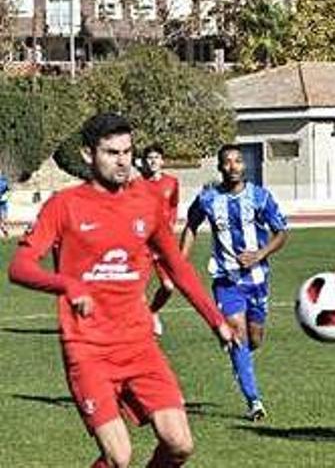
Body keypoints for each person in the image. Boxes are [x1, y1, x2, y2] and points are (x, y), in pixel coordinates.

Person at [7, 112, 234, 468]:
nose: (123, 160)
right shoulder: (63, 206)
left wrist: (215, 320)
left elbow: (177, 266)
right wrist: (68, 284)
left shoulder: (147, 202)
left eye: (128, 151)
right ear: (87, 154)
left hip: (140, 346)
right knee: (119, 456)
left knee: (180, 445)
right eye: (112, 152)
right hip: (87, 349)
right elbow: (19, 267)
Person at [181, 143, 288, 421]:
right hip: (226, 280)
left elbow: (281, 233)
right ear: (219, 167)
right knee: (238, 335)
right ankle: (254, 401)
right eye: (227, 162)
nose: (233, 166)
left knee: (254, 339)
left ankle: (240, 361)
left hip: (257, 279)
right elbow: (191, 225)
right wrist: (180, 262)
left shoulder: (260, 197)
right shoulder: (207, 199)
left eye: (238, 161)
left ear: (245, 166)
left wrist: (259, 254)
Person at [139, 144, 181, 337]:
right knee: (136, 288)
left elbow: (173, 206)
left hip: (163, 244)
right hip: (142, 245)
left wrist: (171, 224)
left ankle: (153, 311)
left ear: (162, 161)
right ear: (144, 162)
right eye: (149, 158)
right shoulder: (138, 184)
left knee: (168, 286)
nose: (153, 161)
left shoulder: (172, 182)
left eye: (156, 157)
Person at [0, 170, 9, 237]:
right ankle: (3, 226)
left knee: (4, 215)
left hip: (4, 201)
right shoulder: (4, 180)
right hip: (3, 201)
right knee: (3, 215)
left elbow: (7, 189)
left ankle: (4, 226)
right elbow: (7, 189)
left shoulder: (3, 180)